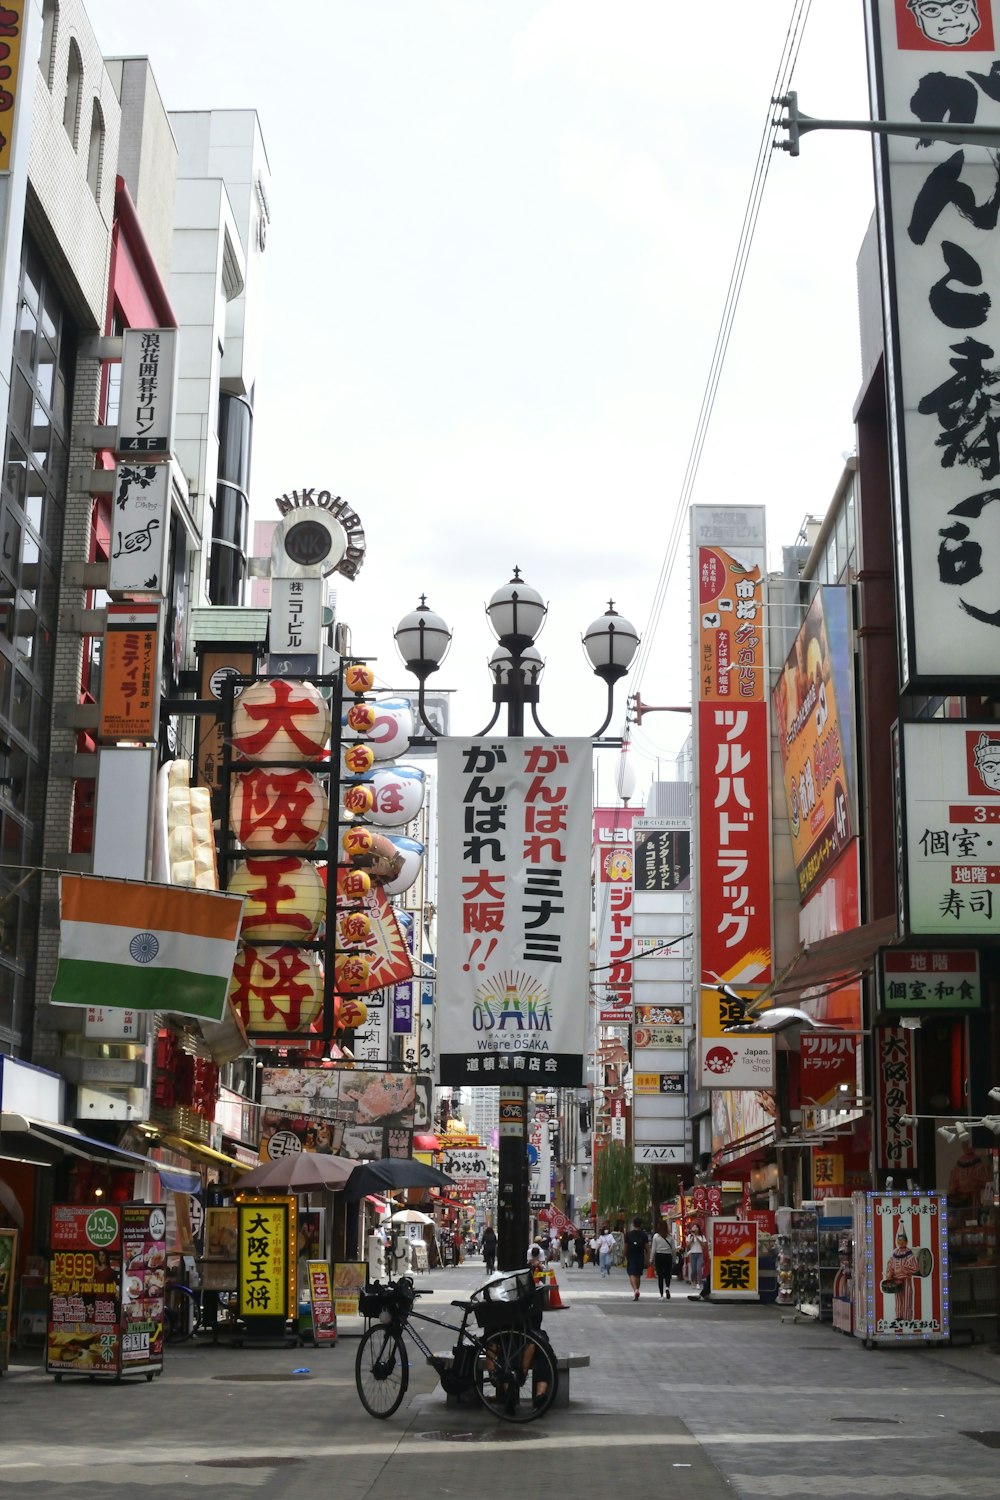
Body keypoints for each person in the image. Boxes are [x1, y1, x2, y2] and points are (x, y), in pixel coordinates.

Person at [882, 1223, 920, 1323]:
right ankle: (899, 1316)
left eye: (902, 1240)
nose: (900, 1242)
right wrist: (889, 1273)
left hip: (906, 1279)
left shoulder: (909, 1253)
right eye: (899, 1240)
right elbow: (890, 1264)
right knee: (898, 1299)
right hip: (896, 1280)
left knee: (907, 1298)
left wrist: (904, 1269)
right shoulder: (895, 1253)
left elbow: (915, 1267)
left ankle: (907, 1317)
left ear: (906, 1241)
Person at [624, 1217, 649, 1301]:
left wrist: (624, 1255)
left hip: (631, 1255)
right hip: (640, 1255)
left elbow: (625, 1246)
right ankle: (637, 1291)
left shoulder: (629, 1234)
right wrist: (648, 1258)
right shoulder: (644, 1235)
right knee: (638, 1274)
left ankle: (635, 1290)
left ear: (633, 1224)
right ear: (640, 1224)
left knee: (631, 1273)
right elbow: (647, 1248)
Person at [650, 1221, 674, 1299]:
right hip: (668, 1256)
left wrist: (651, 1259)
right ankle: (667, 1287)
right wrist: (674, 1258)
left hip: (659, 1256)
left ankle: (661, 1294)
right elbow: (673, 1249)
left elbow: (653, 1249)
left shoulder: (656, 1236)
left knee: (660, 1275)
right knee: (668, 1274)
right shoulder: (670, 1237)